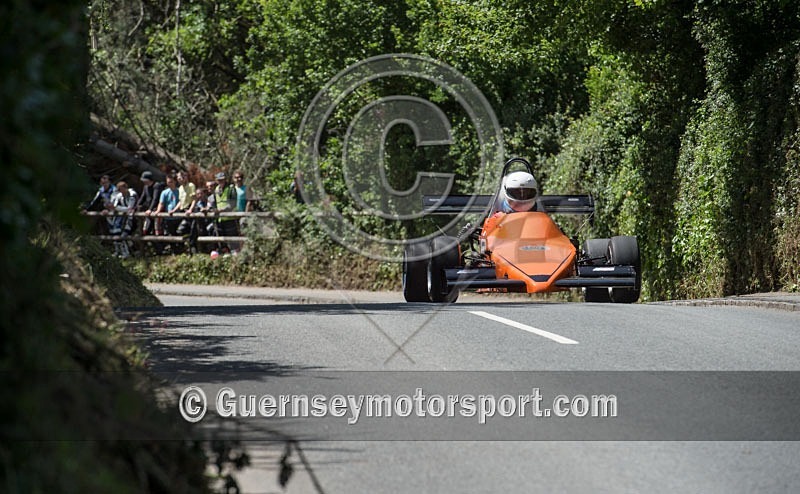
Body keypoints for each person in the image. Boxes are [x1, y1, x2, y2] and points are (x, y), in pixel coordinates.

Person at [107, 181, 137, 258]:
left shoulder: (132, 194)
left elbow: (129, 208)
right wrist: (115, 208)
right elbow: (114, 206)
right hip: (123, 219)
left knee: (124, 235)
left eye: (122, 189)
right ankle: (120, 252)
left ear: (125, 188)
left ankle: (128, 252)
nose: (121, 192)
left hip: (132, 218)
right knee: (117, 234)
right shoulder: (119, 195)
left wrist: (118, 208)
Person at [211, 171, 239, 251]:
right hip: (220, 219)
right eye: (219, 180)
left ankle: (235, 253)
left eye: (222, 180)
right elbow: (214, 203)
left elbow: (232, 204)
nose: (220, 181)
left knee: (233, 239)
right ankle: (224, 252)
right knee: (222, 239)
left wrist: (220, 210)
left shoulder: (230, 189)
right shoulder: (216, 189)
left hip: (230, 218)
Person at [136, 170, 165, 235]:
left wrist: (150, 209)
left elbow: (155, 199)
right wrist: (136, 206)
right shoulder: (145, 187)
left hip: (156, 209)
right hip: (148, 209)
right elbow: (142, 198)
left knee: (156, 228)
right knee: (146, 228)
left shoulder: (156, 186)